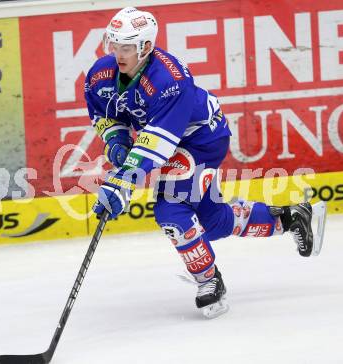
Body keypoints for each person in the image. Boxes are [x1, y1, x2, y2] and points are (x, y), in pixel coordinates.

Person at [85, 7, 315, 318]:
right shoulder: (101, 73)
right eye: (114, 44)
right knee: (212, 221)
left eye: (126, 46)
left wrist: (123, 181)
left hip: (200, 139)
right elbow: (104, 114)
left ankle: (209, 282)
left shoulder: (169, 79)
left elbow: (157, 142)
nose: (117, 53)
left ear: (146, 47)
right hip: (169, 142)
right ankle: (287, 217)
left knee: (172, 209)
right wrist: (116, 141)